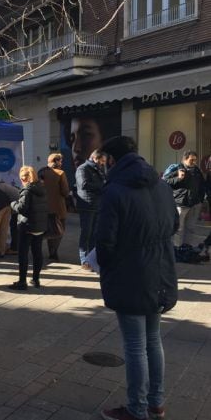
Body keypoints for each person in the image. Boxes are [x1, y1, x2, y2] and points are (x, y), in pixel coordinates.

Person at [96, 137, 178, 420]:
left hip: (130, 274)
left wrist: (106, 268)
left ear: (112, 161)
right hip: (160, 273)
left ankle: (137, 409)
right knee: (153, 340)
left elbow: (104, 242)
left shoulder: (114, 191)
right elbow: (174, 225)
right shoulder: (163, 186)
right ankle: (156, 403)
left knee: (134, 346)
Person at [9, 166, 48, 290]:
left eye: (21, 178)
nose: (20, 180)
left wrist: (12, 203)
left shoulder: (27, 190)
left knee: (23, 254)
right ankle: (36, 279)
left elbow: (22, 209)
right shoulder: (41, 188)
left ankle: (22, 281)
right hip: (40, 226)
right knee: (37, 253)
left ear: (26, 178)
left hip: (27, 226)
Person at [164, 150, 207, 247]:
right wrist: (178, 178)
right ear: (185, 159)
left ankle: (186, 248)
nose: (194, 162)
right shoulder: (176, 168)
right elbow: (165, 181)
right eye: (192, 160)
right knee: (178, 229)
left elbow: (202, 185)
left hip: (194, 204)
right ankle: (176, 249)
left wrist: (200, 199)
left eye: (195, 160)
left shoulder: (197, 170)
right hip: (181, 204)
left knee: (190, 228)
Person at [75, 150, 107, 269]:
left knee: (95, 234)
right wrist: (103, 186)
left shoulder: (98, 169)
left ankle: (92, 260)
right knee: (86, 233)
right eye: (102, 161)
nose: (103, 164)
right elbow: (84, 184)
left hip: (98, 205)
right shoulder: (82, 169)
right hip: (87, 205)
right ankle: (84, 260)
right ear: (94, 158)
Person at [38, 153, 70, 261]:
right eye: (60, 161)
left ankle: (41, 251)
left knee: (46, 230)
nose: (61, 163)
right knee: (58, 231)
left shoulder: (41, 172)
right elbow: (65, 192)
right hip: (58, 209)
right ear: (56, 161)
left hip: (43, 208)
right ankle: (53, 252)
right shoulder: (60, 173)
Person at [0, 179, 20, 255]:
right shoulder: (4, 186)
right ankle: (15, 247)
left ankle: (14, 248)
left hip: (17, 207)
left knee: (14, 228)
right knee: (14, 227)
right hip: (17, 205)